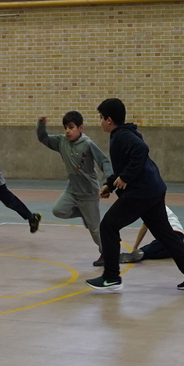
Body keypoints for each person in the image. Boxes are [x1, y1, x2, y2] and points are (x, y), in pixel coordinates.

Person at [86, 98, 184, 291]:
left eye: (100, 117)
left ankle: (111, 277)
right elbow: (125, 164)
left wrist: (125, 177)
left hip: (141, 193)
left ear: (109, 120)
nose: (99, 121)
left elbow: (141, 150)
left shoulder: (121, 136)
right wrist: (110, 184)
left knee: (108, 226)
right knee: (164, 233)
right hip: (153, 189)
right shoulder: (124, 133)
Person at [37, 112, 114, 266]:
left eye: (71, 127)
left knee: (95, 229)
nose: (67, 131)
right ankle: (82, 213)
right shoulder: (61, 142)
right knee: (58, 210)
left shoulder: (88, 144)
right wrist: (41, 125)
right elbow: (43, 138)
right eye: (65, 127)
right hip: (72, 189)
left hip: (89, 193)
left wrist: (109, 182)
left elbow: (104, 162)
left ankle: (106, 254)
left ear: (80, 128)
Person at [120, 205, 184, 263]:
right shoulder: (160, 205)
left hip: (170, 234)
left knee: (147, 250)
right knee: (167, 250)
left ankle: (138, 254)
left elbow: (144, 229)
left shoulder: (150, 207)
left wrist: (135, 247)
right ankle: (179, 248)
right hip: (180, 235)